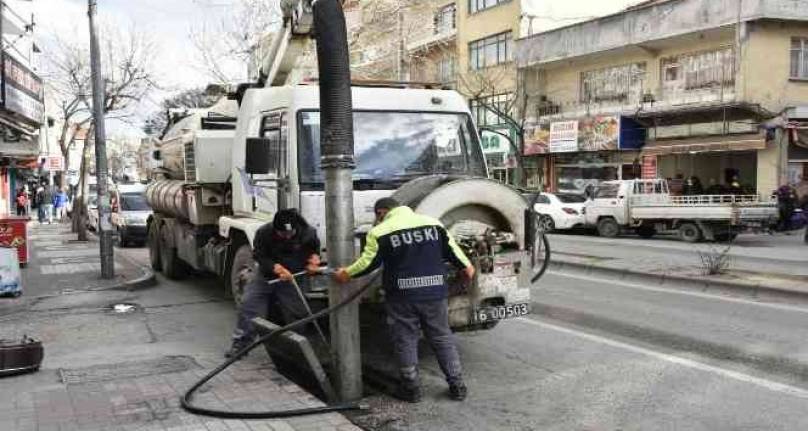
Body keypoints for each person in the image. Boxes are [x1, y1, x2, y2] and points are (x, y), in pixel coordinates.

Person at [334, 197, 475, 402]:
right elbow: (458, 258)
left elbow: (367, 264)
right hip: (434, 293)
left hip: (402, 296)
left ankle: (411, 388)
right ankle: (457, 385)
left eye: (377, 217)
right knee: (441, 337)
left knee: (406, 339)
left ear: (382, 213)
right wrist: (466, 272)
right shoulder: (433, 224)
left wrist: (345, 274)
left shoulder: (380, 232)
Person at [226, 209, 322, 358]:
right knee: (249, 305)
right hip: (266, 276)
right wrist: (275, 268)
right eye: (283, 234)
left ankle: (297, 349)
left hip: (292, 278)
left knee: (298, 313)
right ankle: (241, 344)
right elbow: (258, 255)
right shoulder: (264, 233)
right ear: (275, 229)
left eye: (290, 234)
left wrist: (314, 260)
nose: (287, 237)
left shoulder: (308, 232)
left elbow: (314, 250)